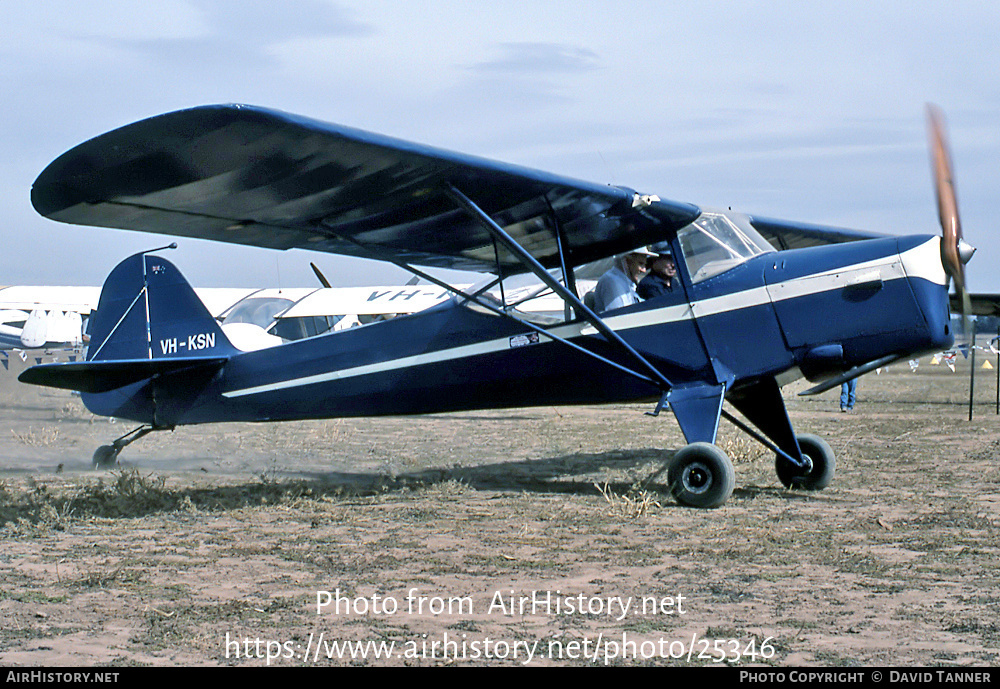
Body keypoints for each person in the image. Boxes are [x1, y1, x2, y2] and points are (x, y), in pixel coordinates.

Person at [592, 247, 655, 312]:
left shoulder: (627, 282)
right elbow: (620, 316)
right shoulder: (612, 281)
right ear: (626, 261)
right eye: (640, 264)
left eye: (645, 265)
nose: (644, 270)